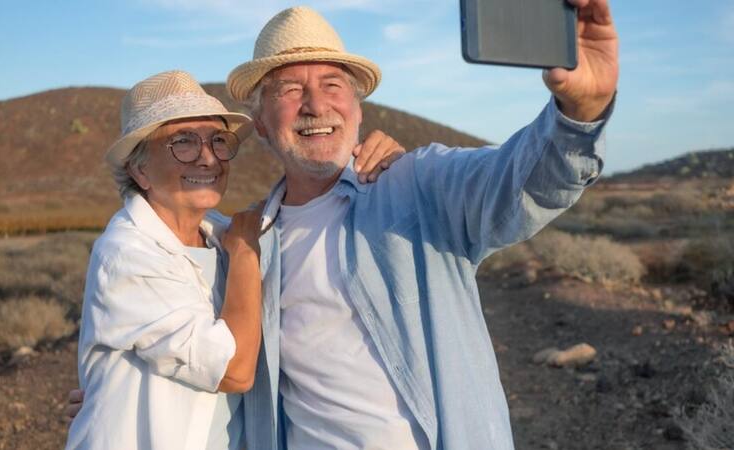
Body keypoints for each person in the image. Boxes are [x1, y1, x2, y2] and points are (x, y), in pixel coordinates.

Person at [221, 1, 617, 449]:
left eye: (332, 85)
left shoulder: (417, 183)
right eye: (289, 90)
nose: (315, 105)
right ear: (260, 123)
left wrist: (580, 113)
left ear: (356, 107)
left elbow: (520, 184)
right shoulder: (249, 242)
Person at [64, 70, 405, 449]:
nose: (208, 159)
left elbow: (299, 217)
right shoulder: (129, 254)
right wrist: (244, 254)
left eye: (217, 141)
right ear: (139, 168)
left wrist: (386, 164)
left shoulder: (218, 232)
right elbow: (234, 369)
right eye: (183, 143)